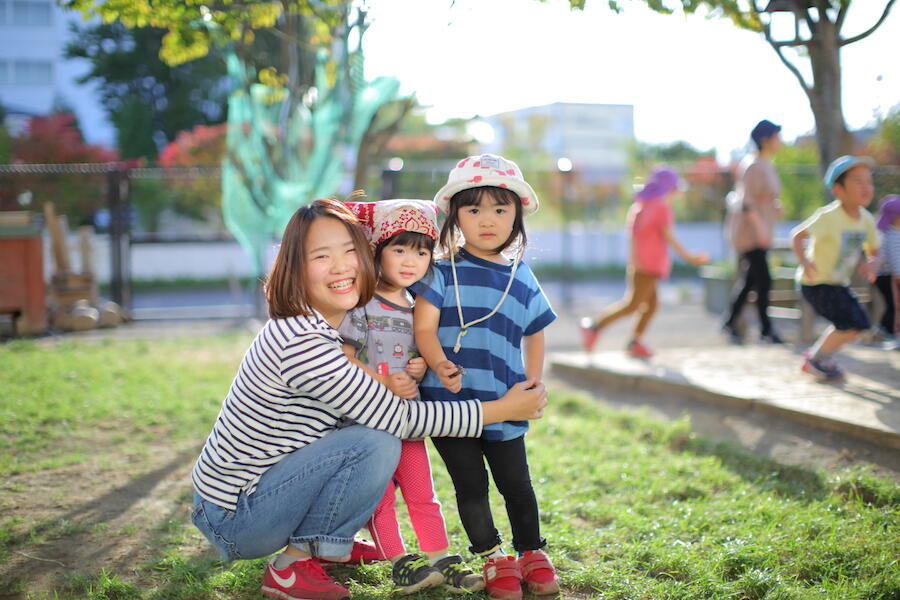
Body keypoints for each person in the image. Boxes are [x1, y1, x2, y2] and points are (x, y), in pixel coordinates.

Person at [190, 198, 548, 600]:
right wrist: (502, 410)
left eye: (350, 252)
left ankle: (328, 543)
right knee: (376, 440)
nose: (342, 267)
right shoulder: (301, 341)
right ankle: (292, 565)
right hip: (237, 516)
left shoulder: (329, 324)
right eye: (322, 256)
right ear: (295, 266)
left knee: (370, 439)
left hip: (257, 494)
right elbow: (400, 419)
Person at [411, 154, 560, 600]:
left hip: (505, 398)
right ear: (455, 215)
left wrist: (532, 384)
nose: (487, 220)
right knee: (471, 485)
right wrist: (439, 363)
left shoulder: (523, 276)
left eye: (500, 208)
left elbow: (536, 333)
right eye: (473, 209)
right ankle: (494, 557)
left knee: (517, 483)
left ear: (517, 214)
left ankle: (531, 551)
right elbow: (423, 328)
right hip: (448, 403)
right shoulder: (440, 270)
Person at [338, 199, 484, 595]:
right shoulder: (360, 304)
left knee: (424, 495)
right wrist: (385, 382)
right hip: (367, 426)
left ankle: (440, 558)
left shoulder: (419, 306)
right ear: (377, 252)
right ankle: (401, 562)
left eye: (421, 251)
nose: (410, 260)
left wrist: (419, 364)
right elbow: (346, 357)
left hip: (409, 421)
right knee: (380, 500)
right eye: (399, 249)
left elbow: (416, 349)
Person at [579, 166, 709, 358]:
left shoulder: (639, 207)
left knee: (650, 305)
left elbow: (633, 237)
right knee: (632, 304)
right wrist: (689, 257)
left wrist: (633, 261)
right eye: (674, 189)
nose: (676, 193)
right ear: (668, 188)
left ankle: (634, 341)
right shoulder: (662, 208)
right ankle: (595, 326)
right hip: (649, 266)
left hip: (640, 265)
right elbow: (669, 237)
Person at [790, 155, 880, 380]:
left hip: (838, 282)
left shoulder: (866, 220)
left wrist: (871, 264)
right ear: (839, 190)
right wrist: (805, 261)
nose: (866, 187)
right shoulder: (828, 216)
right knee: (849, 324)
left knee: (859, 324)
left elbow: (873, 249)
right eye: (858, 181)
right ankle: (815, 358)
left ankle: (817, 357)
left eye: (868, 182)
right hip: (815, 282)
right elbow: (797, 236)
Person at [722, 119, 786, 344]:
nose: (781, 141)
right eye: (777, 136)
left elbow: (765, 196)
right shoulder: (752, 164)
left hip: (761, 228)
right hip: (750, 232)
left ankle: (730, 322)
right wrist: (760, 229)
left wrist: (773, 206)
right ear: (765, 140)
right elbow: (746, 201)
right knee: (764, 279)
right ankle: (766, 329)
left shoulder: (766, 163)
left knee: (751, 280)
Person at [873, 194, 900, 343]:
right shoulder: (893, 234)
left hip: (884, 274)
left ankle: (883, 330)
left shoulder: (884, 233)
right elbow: (896, 260)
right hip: (889, 275)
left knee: (891, 304)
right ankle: (888, 332)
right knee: (894, 305)